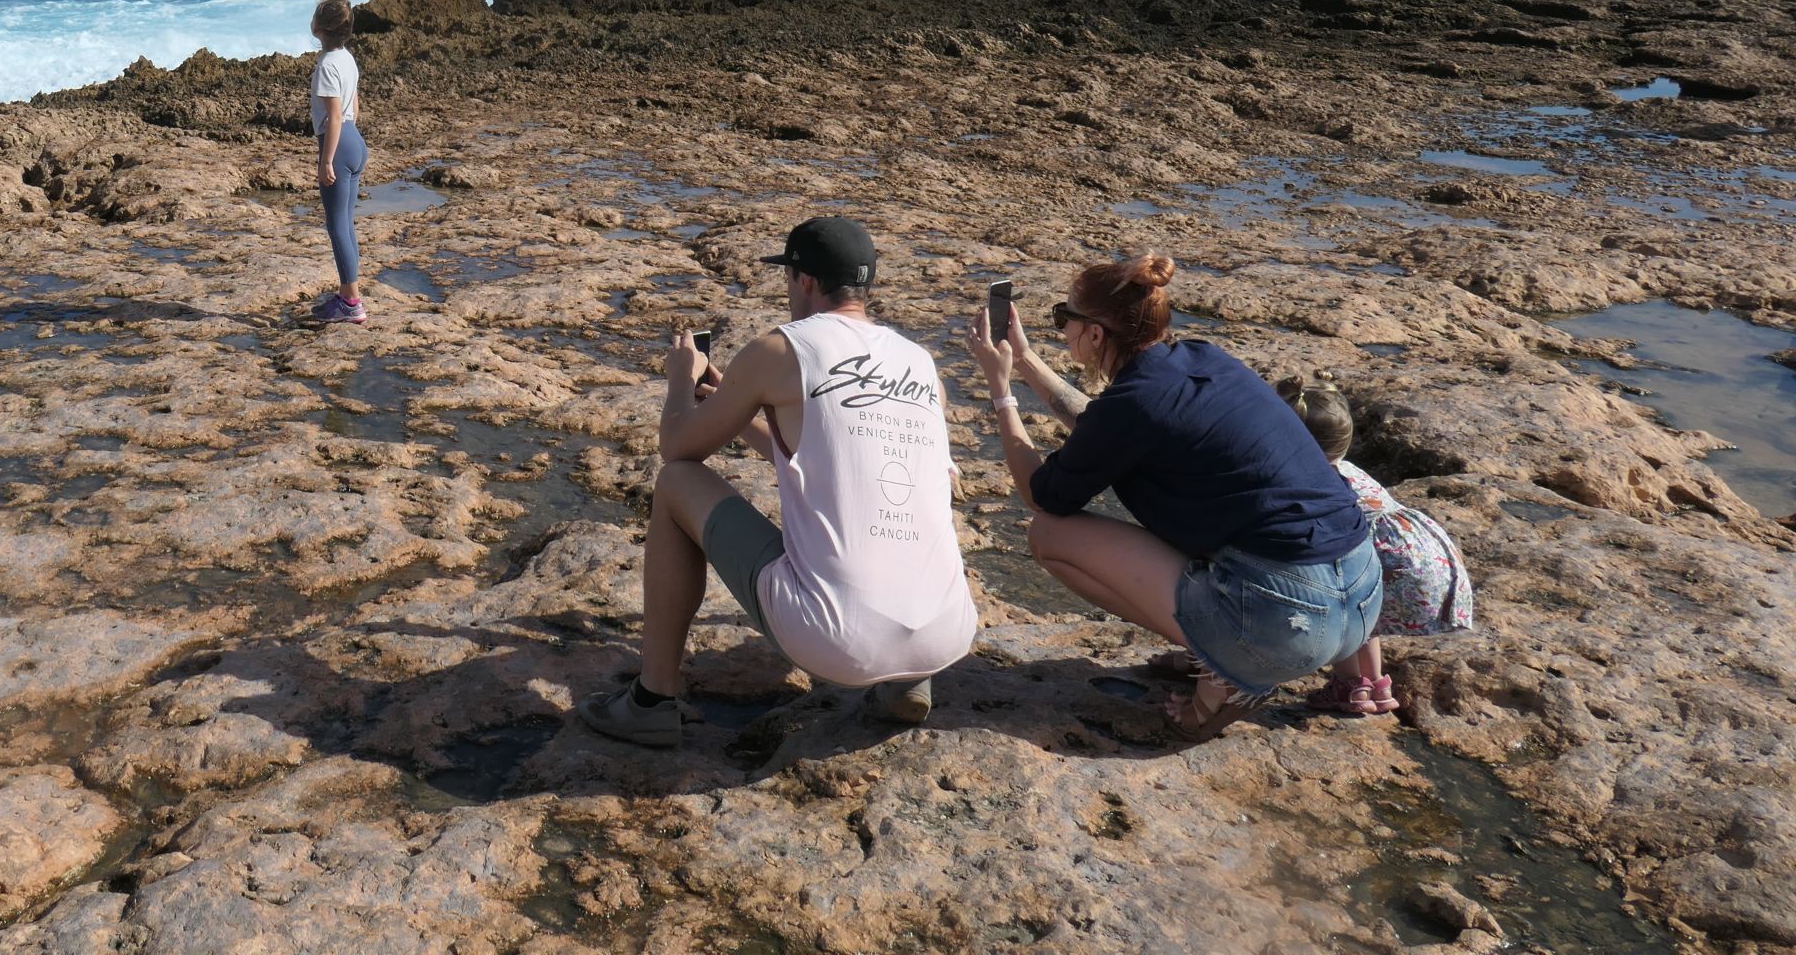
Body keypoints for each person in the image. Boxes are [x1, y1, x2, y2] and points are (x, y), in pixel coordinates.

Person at [577, 217, 978, 749]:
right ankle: (905, 683)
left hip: (835, 640)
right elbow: (827, 459)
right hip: (945, 636)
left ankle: (650, 702)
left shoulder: (782, 349)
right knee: (894, 506)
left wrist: (680, 380)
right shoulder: (922, 364)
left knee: (675, 483)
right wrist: (741, 410)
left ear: (804, 280)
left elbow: (677, 447)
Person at [966, 254, 1381, 741]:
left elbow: (1043, 496)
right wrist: (1025, 360)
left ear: (1095, 334)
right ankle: (1224, 649)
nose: (1061, 329)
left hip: (1287, 621)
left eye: (1063, 317)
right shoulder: (1206, 360)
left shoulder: (1134, 405)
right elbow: (1105, 428)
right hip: (1362, 599)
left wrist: (1001, 391)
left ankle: (1226, 665)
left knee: (1050, 535)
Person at [1274, 377, 1475, 717]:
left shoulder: (1316, 481)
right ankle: (1379, 688)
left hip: (1386, 556)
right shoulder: (1350, 469)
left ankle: (1349, 687)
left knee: (1341, 612)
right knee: (1367, 616)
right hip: (1424, 551)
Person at [308, 0, 366, 324]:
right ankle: (347, 295)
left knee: (337, 224)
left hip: (339, 146)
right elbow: (354, 104)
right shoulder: (346, 58)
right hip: (354, 141)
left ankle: (351, 303)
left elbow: (333, 117)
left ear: (319, 27)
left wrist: (327, 160)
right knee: (346, 221)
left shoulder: (326, 65)